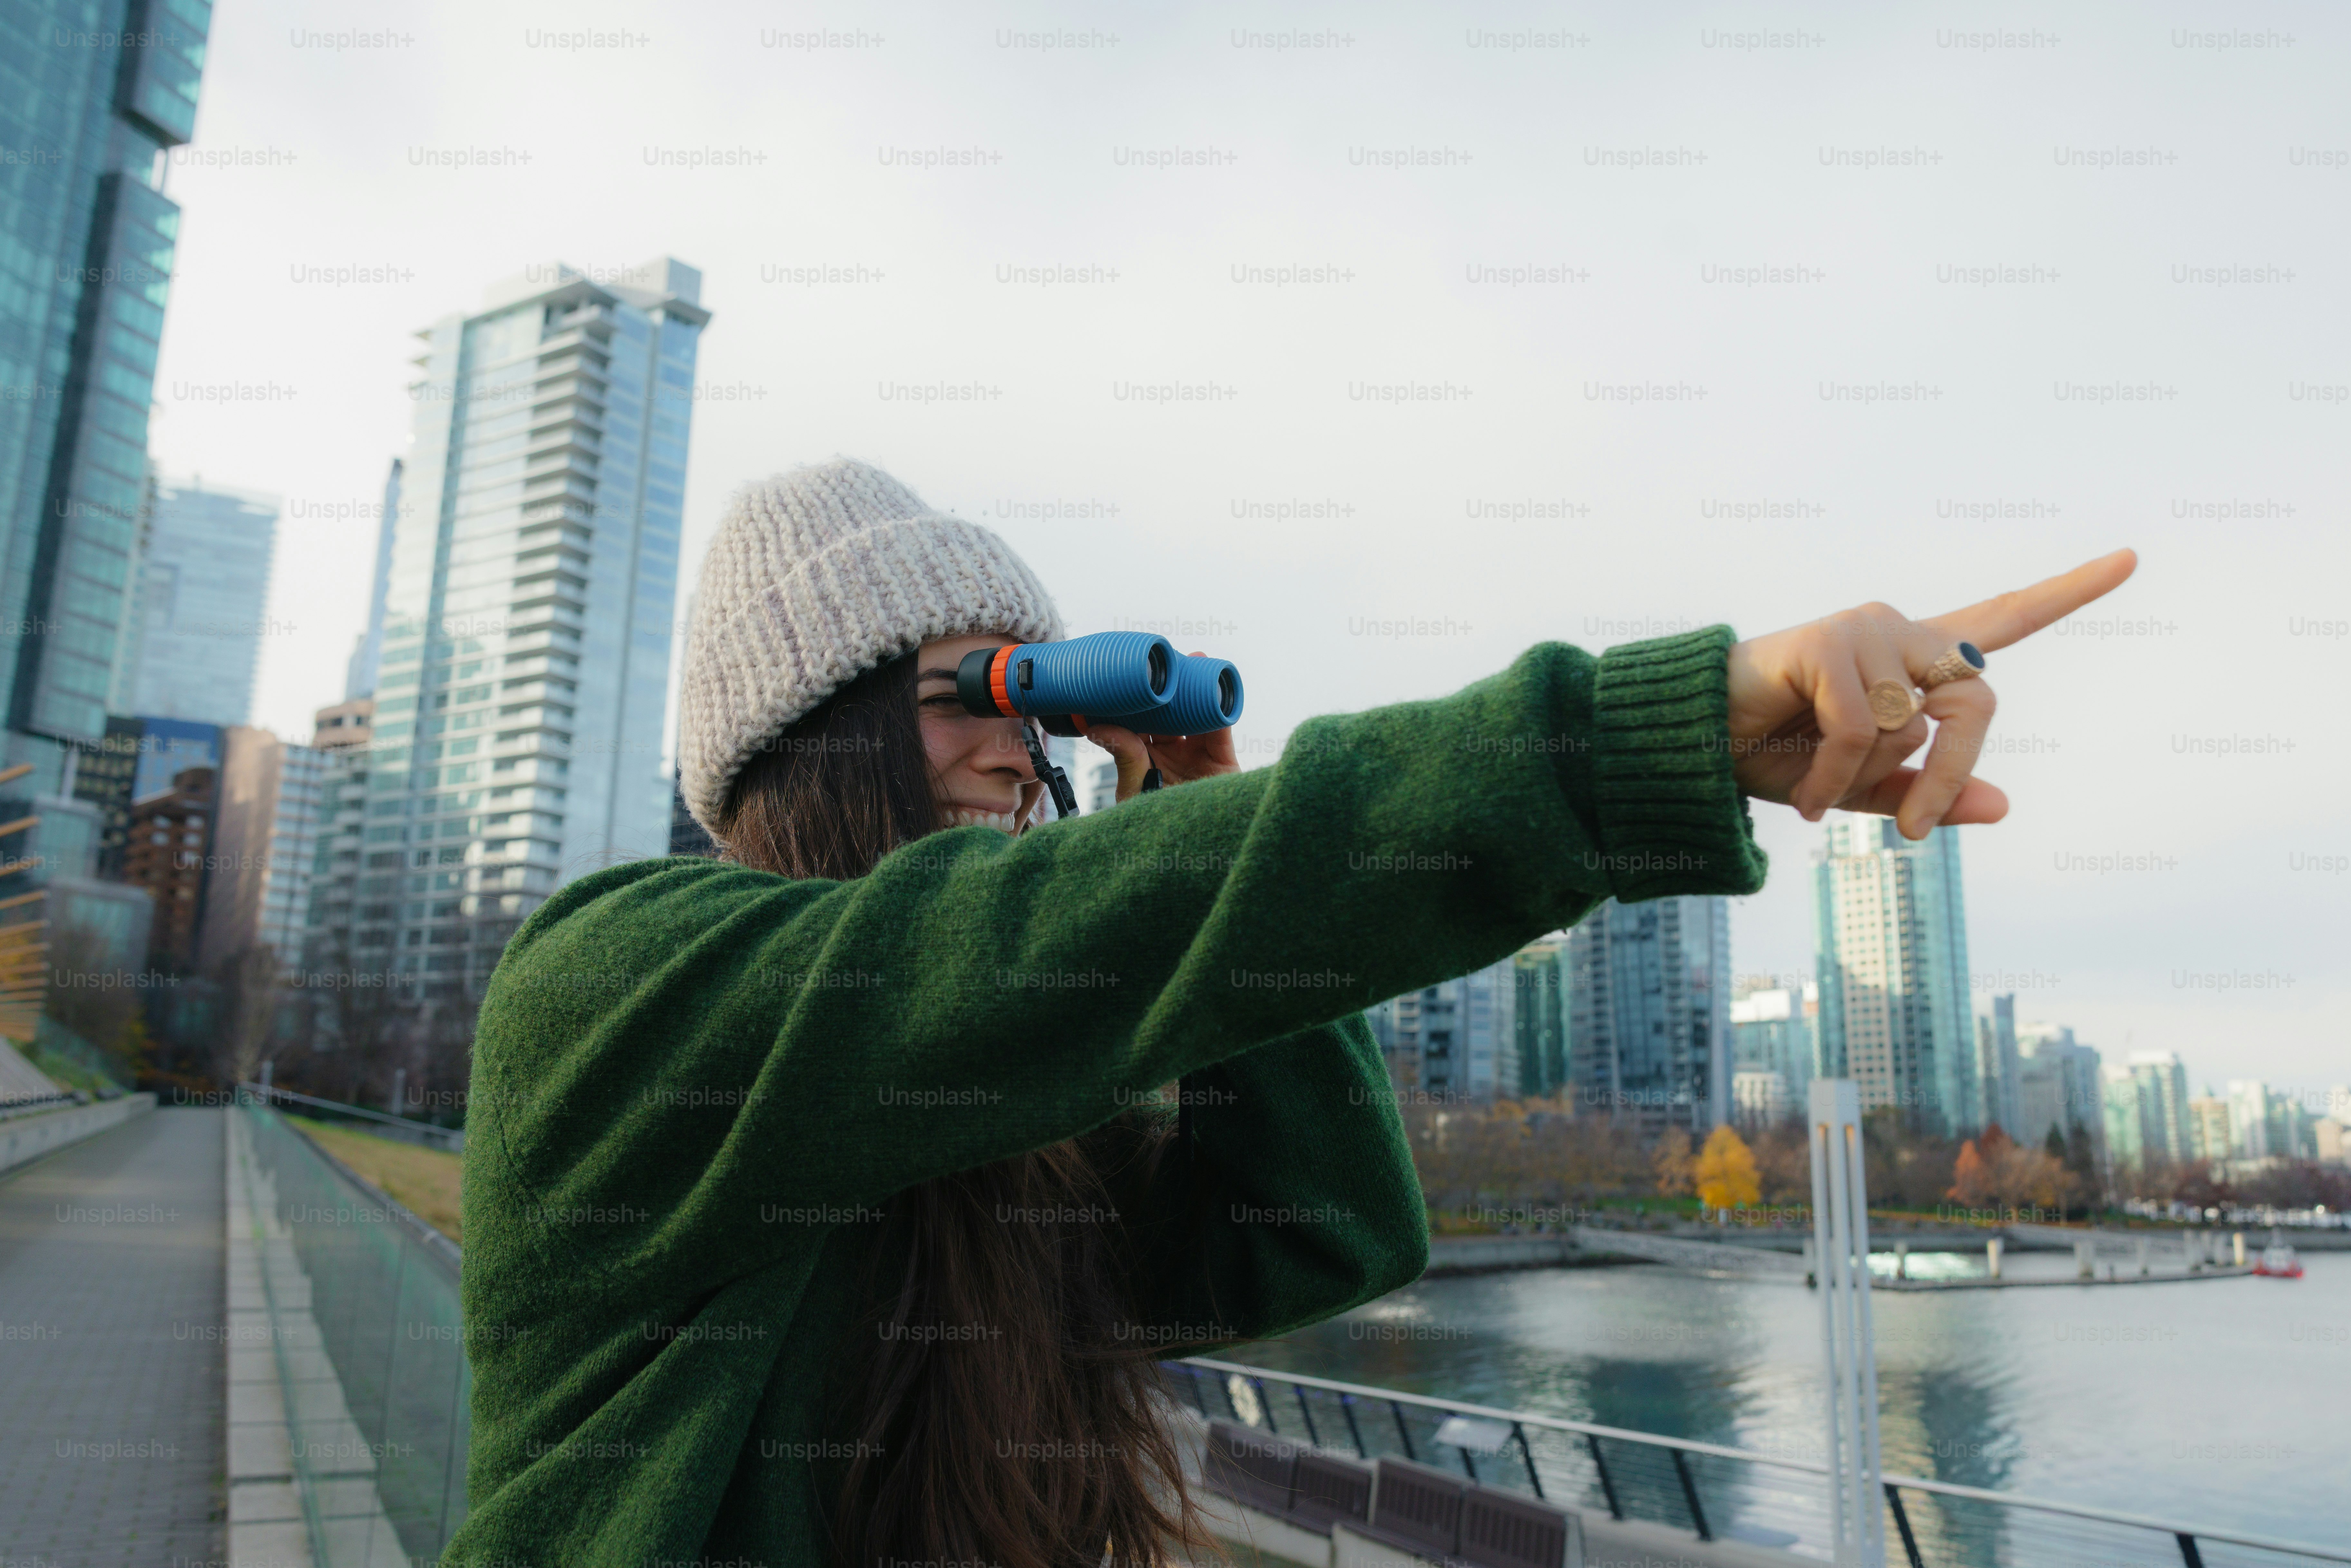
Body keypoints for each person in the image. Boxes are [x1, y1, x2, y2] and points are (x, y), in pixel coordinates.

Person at [448, 458, 2133, 1566]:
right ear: (799, 732)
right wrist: (1647, 737)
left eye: (1037, 706)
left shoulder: (999, 1129)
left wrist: (1191, 810)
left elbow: (1315, 1231)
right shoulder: (618, 983)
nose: (1013, 749)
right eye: (962, 696)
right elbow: (976, 952)